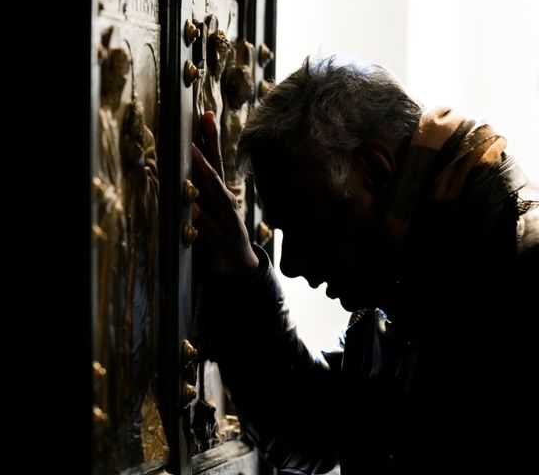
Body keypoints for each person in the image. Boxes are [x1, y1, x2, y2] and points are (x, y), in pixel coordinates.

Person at [190, 54, 539, 475]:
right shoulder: (424, 270)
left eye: (304, 225)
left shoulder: (519, 276)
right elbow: (316, 427)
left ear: (374, 170)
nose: (292, 264)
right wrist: (243, 276)